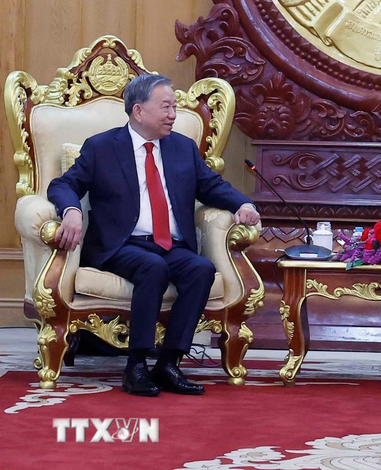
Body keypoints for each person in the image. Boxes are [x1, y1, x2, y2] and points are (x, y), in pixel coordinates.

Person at [48, 74, 260, 397]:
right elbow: (63, 185)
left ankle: (169, 362)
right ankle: (135, 366)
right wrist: (72, 211)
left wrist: (242, 203)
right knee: (152, 267)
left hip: (171, 244)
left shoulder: (182, 148)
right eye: (166, 107)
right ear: (138, 111)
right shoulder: (102, 147)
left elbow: (211, 187)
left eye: (175, 107)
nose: (173, 114)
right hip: (121, 244)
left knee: (201, 269)